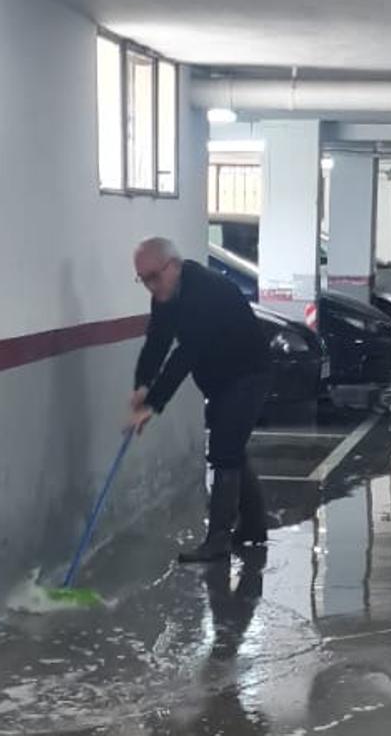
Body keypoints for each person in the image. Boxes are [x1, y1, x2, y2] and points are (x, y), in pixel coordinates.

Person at [126, 237, 272, 563]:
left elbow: (185, 354)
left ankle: (219, 540)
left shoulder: (204, 291)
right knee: (230, 448)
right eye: (143, 279)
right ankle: (253, 527)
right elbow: (158, 340)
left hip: (247, 373)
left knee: (225, 451)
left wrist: (153, 405)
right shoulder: (167, 293)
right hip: (220, 380)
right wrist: (142, 384)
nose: (149, 286)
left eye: (153, 277)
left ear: (173, 266)